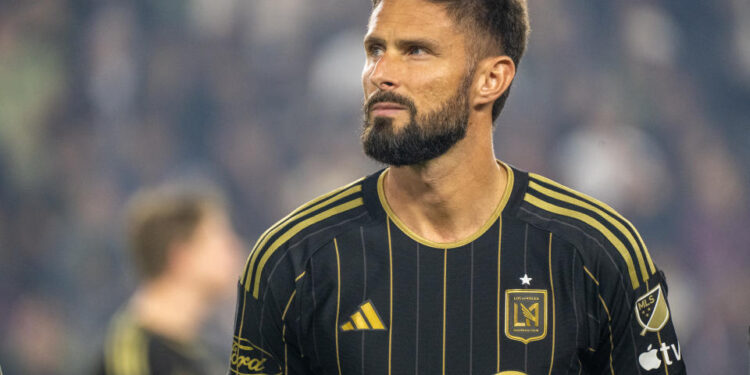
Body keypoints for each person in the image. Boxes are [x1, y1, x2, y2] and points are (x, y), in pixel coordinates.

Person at [229, 0, 686, 373]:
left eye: (416, 51)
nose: (380, 73)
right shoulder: (292, 261)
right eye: (375, 50)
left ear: (491, 79)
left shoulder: (598, 253)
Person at [96, 183, 241, 375]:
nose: (236, 248)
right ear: (181, 257)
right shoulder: (133, 356)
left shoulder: (207, 356)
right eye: (220, 239)